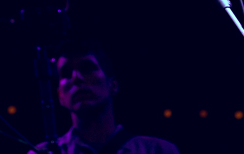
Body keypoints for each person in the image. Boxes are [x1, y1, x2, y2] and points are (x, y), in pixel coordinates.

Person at [30, 41, 180, 154]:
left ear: (113, 85)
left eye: (87, 68)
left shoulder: (158, 150)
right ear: (60, 96)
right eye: (67, 73)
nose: (76, 78)